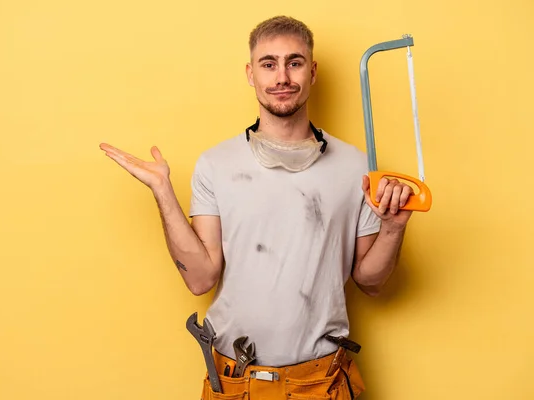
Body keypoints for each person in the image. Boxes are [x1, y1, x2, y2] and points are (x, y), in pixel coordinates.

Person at [100, 15, 414, 400]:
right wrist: (163, 190)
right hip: (234, 383)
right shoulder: (216, 164)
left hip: (320, 383)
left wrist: (394, 227)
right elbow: (200, 279)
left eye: (294, 62)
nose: (282, 77)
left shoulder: (355, 167)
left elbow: (372, 281)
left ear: (312, 72)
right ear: (251, 74)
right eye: (269, 64)